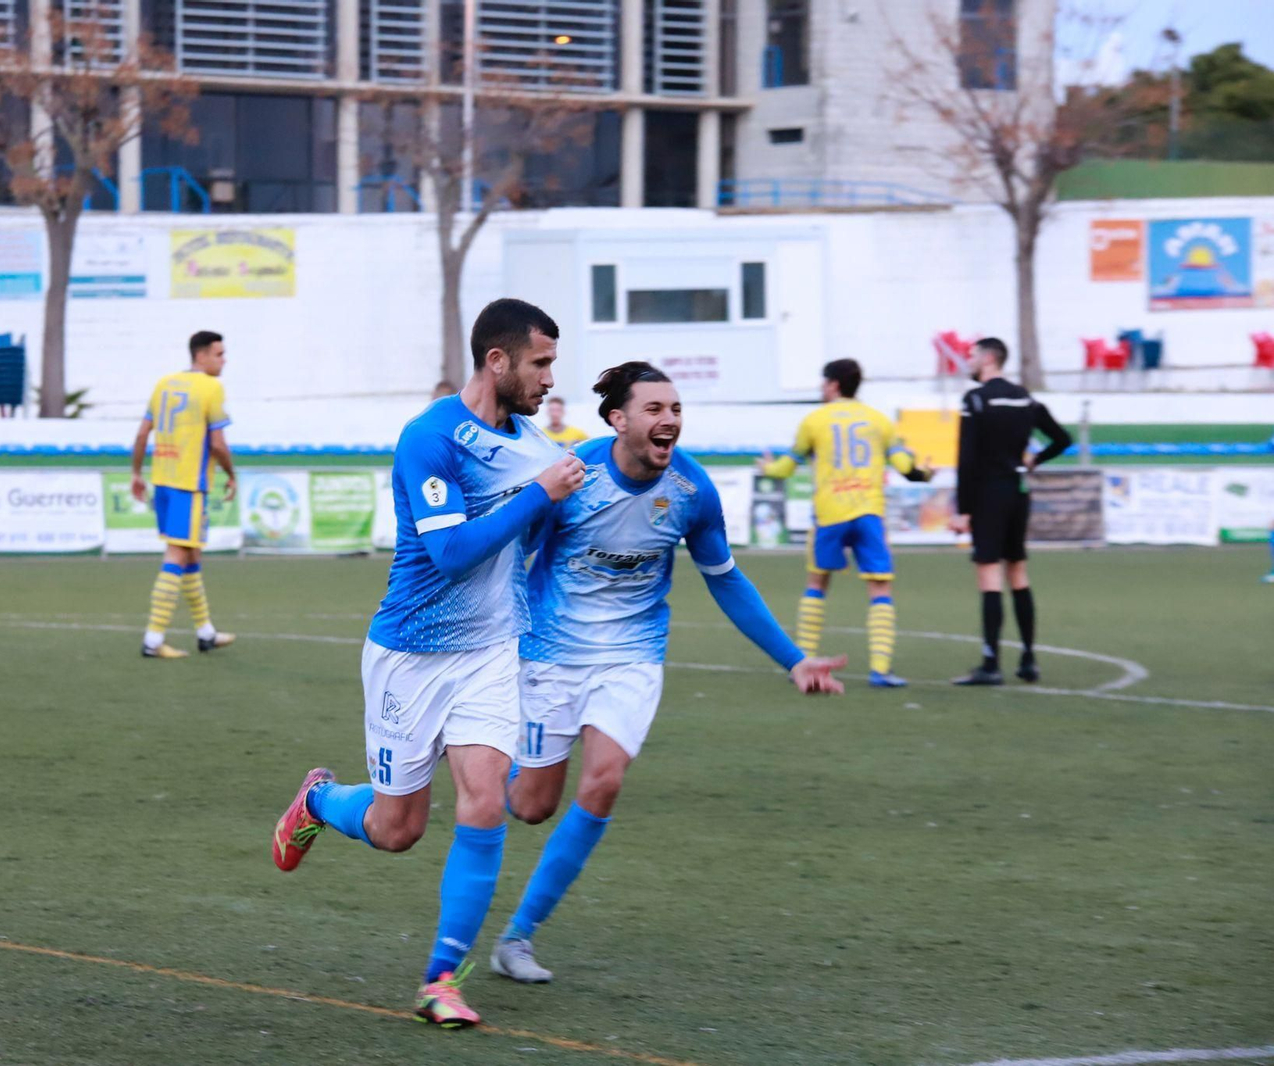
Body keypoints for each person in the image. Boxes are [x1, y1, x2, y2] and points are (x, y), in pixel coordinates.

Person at [269, 298, 586, 1029]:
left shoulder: (538, 448)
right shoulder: (430, 439)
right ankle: (318, 801)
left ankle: (442, 979)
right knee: (397, 829)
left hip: (490, 655)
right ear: (497, 361)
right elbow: (449, 553)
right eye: (539, 363)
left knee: (485, 799)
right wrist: (539, 494)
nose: (548, 379)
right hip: (410, 656)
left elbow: (555, 530)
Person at [491, 362, 845, 984]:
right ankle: (476, 753)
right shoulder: (571, 475)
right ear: (618, 419)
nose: (670, 420)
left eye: (676, 409)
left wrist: (794, 659)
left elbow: (726, 579)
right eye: (654, 409)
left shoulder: (691, 490)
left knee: (603, 782)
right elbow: (511, 558)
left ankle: (517, 937)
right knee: (531, 806)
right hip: (550, 656)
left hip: (633, 658)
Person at [758, 359, 931, 688]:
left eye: (824, 382)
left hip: (830, 514)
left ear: (834, 384)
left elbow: (785, 469)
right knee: (880, 588)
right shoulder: (879, 420)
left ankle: (802, 663)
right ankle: (880, 670)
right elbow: (906, 467)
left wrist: (767, 468)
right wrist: (924, 472)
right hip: (869, 513)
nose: (821, 388)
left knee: (817, 583)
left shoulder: (814, 420)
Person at [947, 337, 1073, 685]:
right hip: (1018, 492)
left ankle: (991, 665)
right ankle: (1029, 659)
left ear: (989, 358)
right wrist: (1034, 459)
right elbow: (1062, 438)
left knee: (989, 575)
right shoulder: (1024, 398)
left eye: (972, 355)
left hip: (988, 495)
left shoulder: (975, 400)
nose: (968, 361)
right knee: (1017, 572)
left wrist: (963, 510)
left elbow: (966, 459)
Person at [129, 330, 238, 659]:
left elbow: (142, 434)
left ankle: (205, 634)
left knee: (191, 557)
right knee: (177, 555)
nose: (224, 360)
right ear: (201, 355)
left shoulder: (164, 384)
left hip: (163, 481)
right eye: (219, 354)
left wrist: (136, 473)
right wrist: (232, 475)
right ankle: (152, 640)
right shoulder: (210, 387)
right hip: (188, 485)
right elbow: (218, 444)